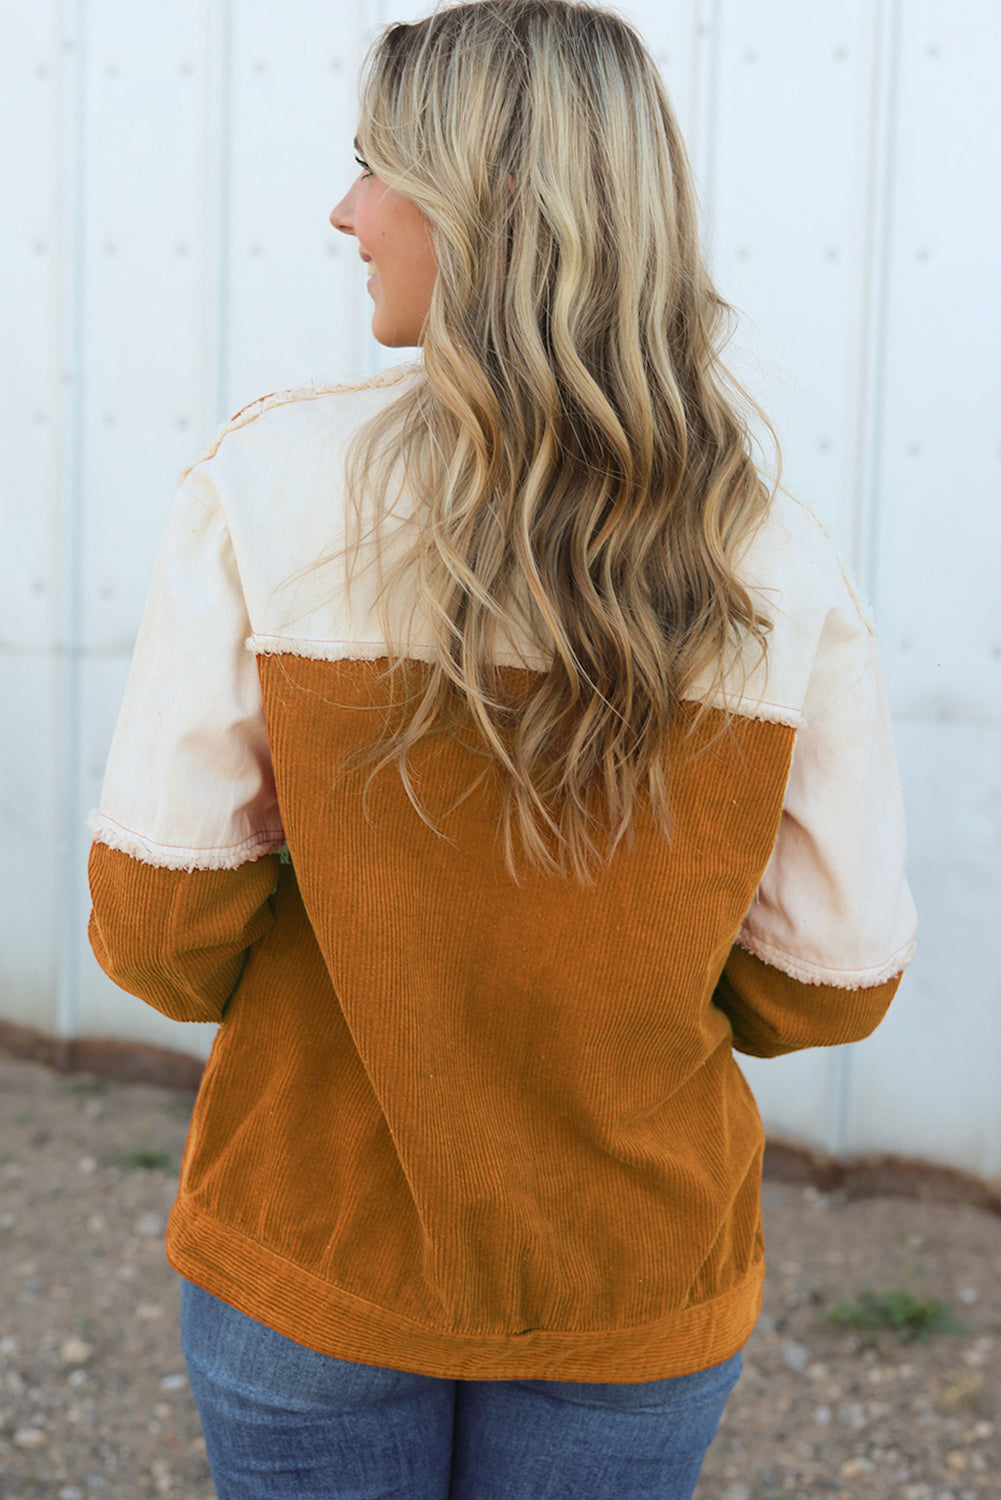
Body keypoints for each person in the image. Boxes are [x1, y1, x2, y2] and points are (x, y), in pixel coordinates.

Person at [86, 2, 916, 1496]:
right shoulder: (776, 561)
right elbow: (828, 985)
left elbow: (158, 940)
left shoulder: (261, 489)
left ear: (477, 204)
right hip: (630, 1273)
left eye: (372, 167)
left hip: (312, 1243)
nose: (344, 211)